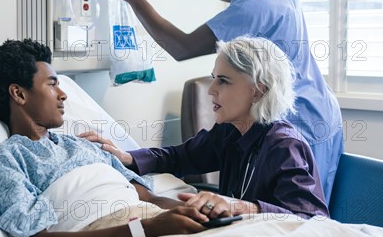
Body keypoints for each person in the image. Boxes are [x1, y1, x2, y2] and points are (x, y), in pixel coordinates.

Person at [105, 0, 343, 201]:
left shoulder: (260, 4)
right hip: (316, 107)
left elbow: (182, 47)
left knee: (297, 215)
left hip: (300, 117)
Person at [0, 39, 209, 237]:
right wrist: (146, 230)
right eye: (52, 84)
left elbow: (151, 199)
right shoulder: (5, 162)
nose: (63, 94)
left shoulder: (85, 145)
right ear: (19, 94)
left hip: (159, 223)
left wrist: (199, 213)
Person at [86, 36, 329, 219]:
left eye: (223, 81)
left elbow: (311, 219)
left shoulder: (284, 146)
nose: (211, 90)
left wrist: (243, 207)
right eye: (213, 78)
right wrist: (127, 157)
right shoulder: (230, 131)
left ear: (258, 90)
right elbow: (178, 157)